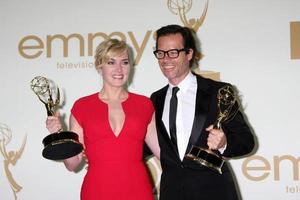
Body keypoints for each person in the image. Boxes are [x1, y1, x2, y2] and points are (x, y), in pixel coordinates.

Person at [46, 39, 160, 200]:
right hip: (97, 190)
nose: (119, 69)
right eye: (111, 62)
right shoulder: (82, 107)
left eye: (125, 62)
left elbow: (163, 153)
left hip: (137, 189)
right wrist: (58, 134)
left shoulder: (144, 105)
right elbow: (72, 164)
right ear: (99, 67)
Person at [150, 24, 255, 200]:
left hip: (214, 192)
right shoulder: (155, 99)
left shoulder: (219, 92)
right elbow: (142, 144)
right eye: (160, 53)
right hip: (172, 193)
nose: (165, 59)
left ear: (189, 53)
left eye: (173, 52)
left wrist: (224, 143)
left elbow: (247, 141)